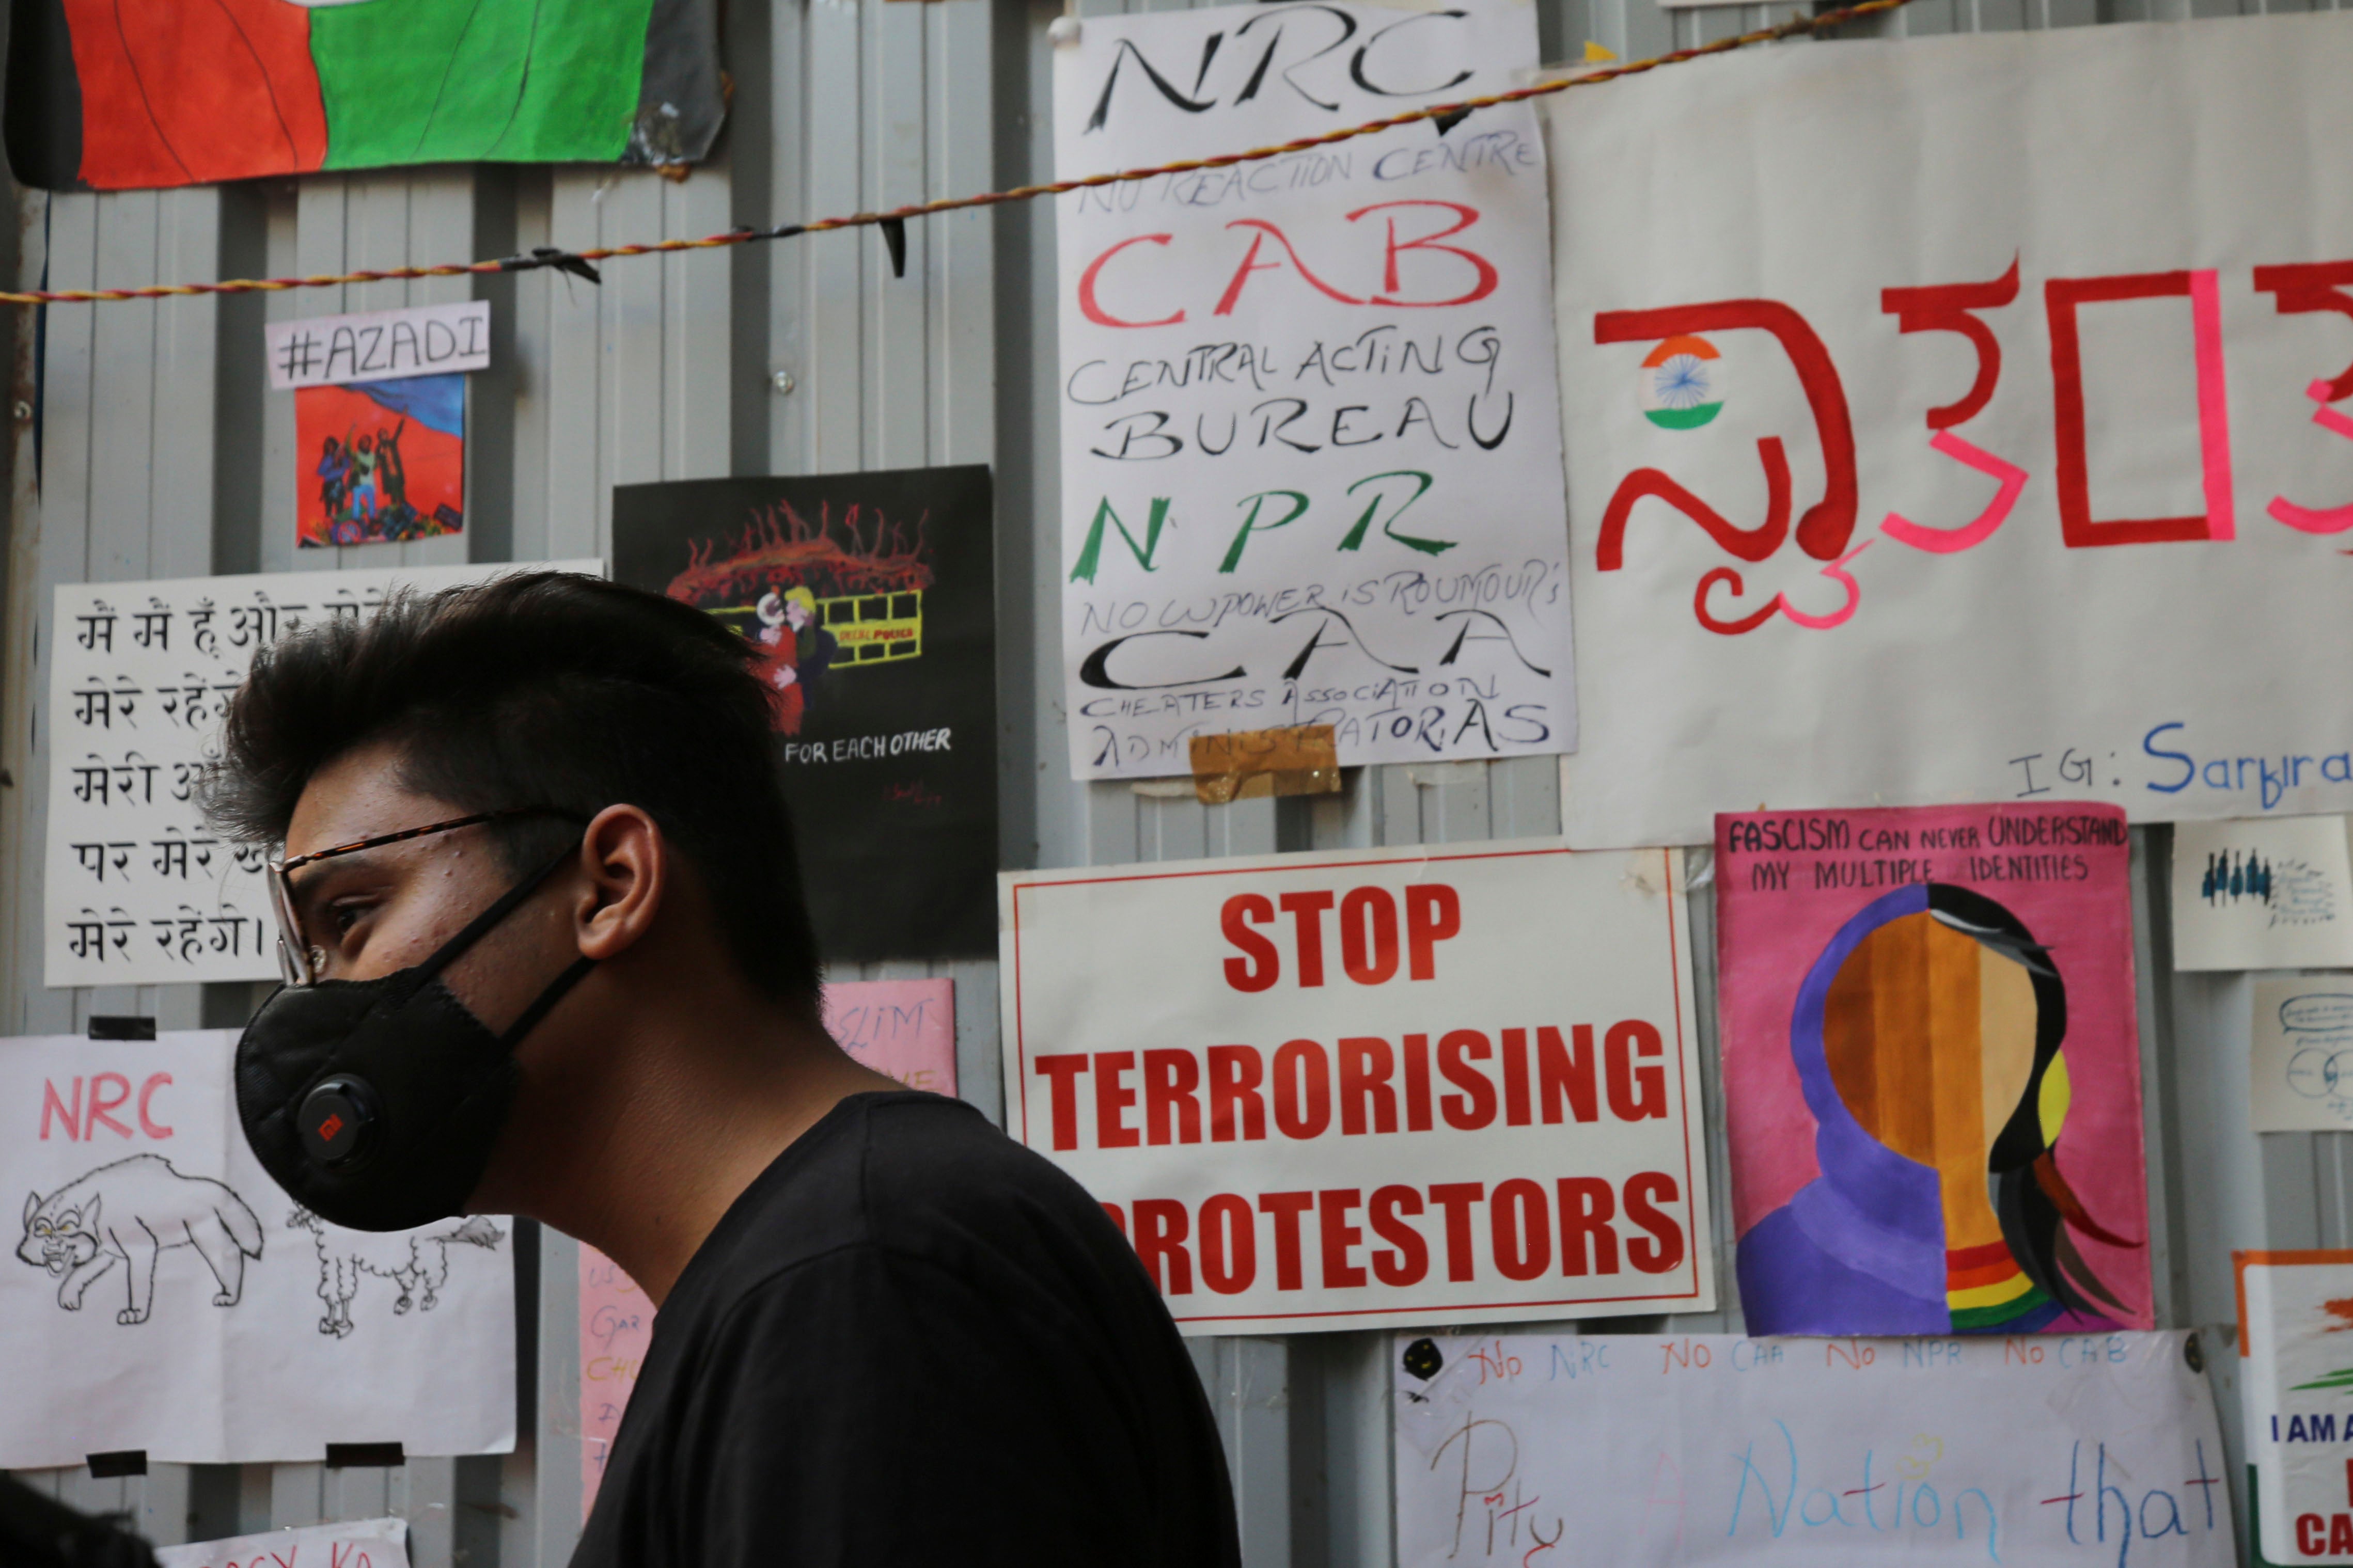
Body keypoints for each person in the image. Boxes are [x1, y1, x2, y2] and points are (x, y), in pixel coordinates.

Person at [200, 572, 1238, 1567]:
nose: (324, 999)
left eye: (352, 916)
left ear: (611, 884)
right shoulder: (827, 1264)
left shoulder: (860, 1283)